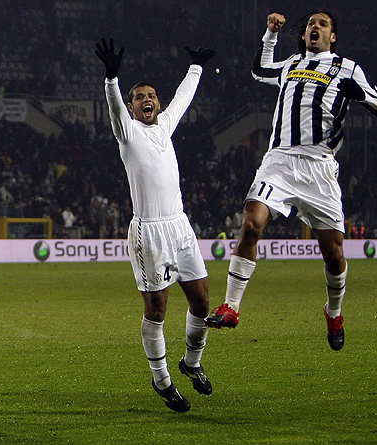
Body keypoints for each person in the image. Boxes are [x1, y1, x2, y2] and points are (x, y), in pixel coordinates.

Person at [205, 11, 377, 352]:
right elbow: (260, 71)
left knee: (333, 254)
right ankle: (231, 307)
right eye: (310, 23)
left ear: (332, 36)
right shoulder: (292, 64)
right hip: (280, 161)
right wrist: (270, 35)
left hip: (320, 168)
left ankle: (333, 312)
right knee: (251, 223)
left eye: (322, 23)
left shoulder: (348, 68)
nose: (314, 27)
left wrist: (361, 95)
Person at [95, 38, 215, 413]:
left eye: (151, 95)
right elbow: (114, 108)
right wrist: (112, 79)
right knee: (158, 310)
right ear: (132, 107)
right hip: (150, 232)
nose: (147, 99)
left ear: (157, 103)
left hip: (181, 226)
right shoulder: (127, 132)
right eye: (139, 97)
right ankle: (162, 380)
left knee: (201, 299)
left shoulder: (164, 125)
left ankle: (191, 363)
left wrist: (195, 67)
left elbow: (184, 98)